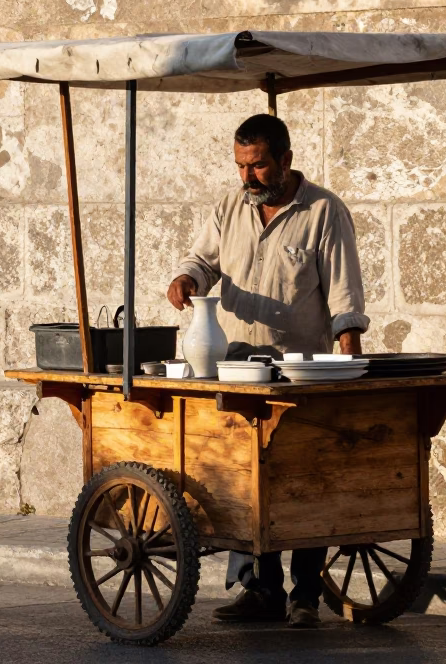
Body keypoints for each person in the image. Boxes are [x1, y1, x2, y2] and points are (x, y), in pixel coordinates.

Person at [166, 113, 369, 628]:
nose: (247, 178)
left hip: (298, 372)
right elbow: (202, 259)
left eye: (257, 167)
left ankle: (303, 595)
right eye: (240, 166)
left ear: (285, 160)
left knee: (299, 481)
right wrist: (186, 278)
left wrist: (349, 351)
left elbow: (344, 290)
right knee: (244, 479)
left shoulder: (324, 211)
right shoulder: (229, 207)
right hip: (234, 365)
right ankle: (261, 589)